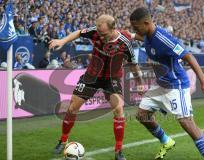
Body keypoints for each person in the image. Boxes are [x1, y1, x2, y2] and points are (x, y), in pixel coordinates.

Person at [49, 14, 143, 160]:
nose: (100, 36)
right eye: (99, 33)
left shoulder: (125, 42)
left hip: (112, 78)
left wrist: (140, 83)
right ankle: (63, 140)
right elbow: (79, 32)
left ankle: (118, 151)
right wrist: (63, 40)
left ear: (113, 29)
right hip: (92, 76)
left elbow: (133, 64)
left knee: (119, 109)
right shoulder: (95, 31)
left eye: (104, 34)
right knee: (73, 107)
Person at [129, 7, 204, 160]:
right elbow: (142, 38)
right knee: (142, 115)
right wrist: (127, 35)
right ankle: (166, 141)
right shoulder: (147, 34)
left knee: (187, 123)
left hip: (176, 85)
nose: (134, 29)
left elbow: (189, 57)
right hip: (161, 84)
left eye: (136, 27)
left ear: (146, 23)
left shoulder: (164, 39)